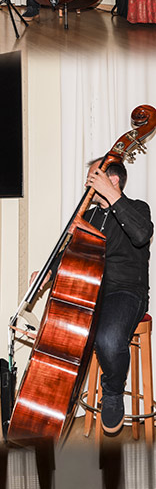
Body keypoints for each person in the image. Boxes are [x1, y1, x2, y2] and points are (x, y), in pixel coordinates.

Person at [84, 157, 152, 434]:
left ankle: (112, 389)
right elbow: (70, 252)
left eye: (93, 178)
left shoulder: (137, 208)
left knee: (109, 338)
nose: (87, 184)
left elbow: (141, 235)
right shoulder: (87, 216)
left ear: (112, 181)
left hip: (125, 292)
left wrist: (113, 197)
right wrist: (50, 272)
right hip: (90, 291)